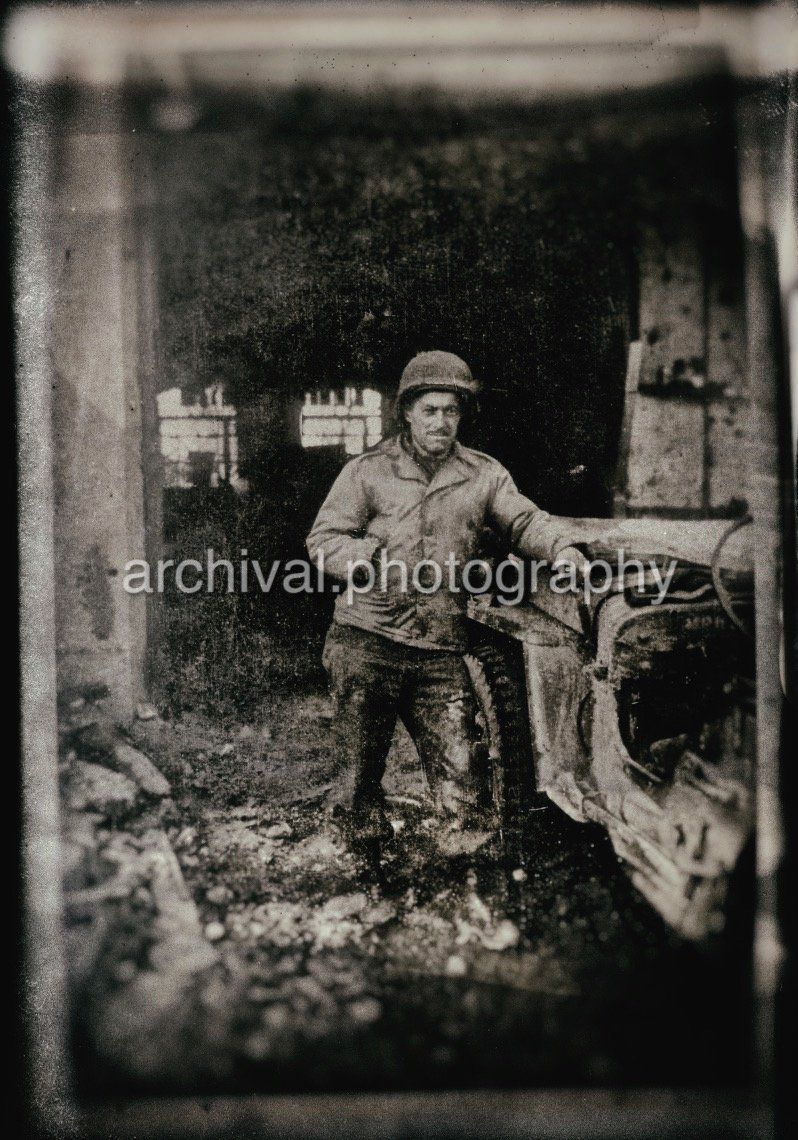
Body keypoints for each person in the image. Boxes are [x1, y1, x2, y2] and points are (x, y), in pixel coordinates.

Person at [306, 350, 587, 855]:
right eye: (430, 410)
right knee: (356, 781)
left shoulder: (483, 474)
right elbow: (323, 539)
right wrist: (361, 559)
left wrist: (562, 548)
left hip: (440, 647)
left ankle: (461, 876)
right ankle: (360, 868)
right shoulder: (367, 472)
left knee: (463, 783)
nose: (440, 421)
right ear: (407, 413)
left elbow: (524, 520)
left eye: (451, 410)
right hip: (366, 640)